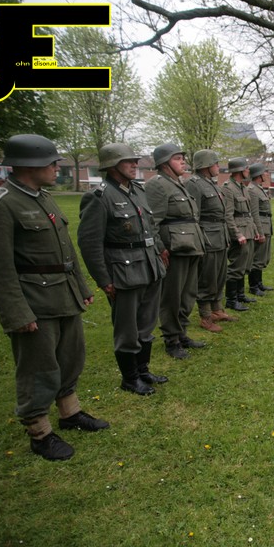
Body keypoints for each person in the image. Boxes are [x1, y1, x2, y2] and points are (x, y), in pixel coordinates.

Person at [0, 134, 107, 461]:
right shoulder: (0, 203)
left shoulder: (43, 198)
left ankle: (69, 412)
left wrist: (81, 287)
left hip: (63, 294)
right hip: (34, 301)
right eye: (51, 162)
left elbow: (66, 251)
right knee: (38, 367)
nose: (56, 167)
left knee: (70, 357)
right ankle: (39, 431)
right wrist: (17, 313)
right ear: (28, 165)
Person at [77, 142, 168, 396]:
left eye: (135, 160)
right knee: (127, 329)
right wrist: (103, 279)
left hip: (149, 266)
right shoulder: (100, 197)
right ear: (112, 165)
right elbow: (89, 243)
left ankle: (143, 370)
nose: (134, 164)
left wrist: (160, 250)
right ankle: (130, 378)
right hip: (123, 272)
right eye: (128, 161)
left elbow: (150, 226)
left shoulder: (137, 191)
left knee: (146, 324)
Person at [145, 143, 206, 359]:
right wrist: (160, 248)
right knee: (172, 296)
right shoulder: (157, 185)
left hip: (191, 245)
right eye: (177, 158)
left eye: (182, 158)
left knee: (188, 294)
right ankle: (171, 339)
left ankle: (182, 333)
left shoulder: (178, 184)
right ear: (164, 163)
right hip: (174, 248)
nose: (183, 162)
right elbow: (152, 221)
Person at [186, 149, 235, 333]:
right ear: (205, 165)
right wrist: (199, 240)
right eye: (215, 163)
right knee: (207, 277)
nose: (218, 167)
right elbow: (194, 216)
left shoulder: (211, 183)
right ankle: (205, 316)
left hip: (220, 236)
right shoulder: (194, 184)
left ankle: (217, 310)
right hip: (207, 237)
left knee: (219, 275)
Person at [221, 157, 259, 312]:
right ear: (239, 170)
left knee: (245, 264)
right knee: (236, 266)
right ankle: (231, 299)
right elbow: (228, 215)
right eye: (246, 168)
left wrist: (254, 230)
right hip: (239, 231)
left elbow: (248, 213)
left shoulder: (242, 187)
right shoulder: (228, 188)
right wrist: (237, 234)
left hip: (248, 229)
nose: (248, 171)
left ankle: (240, 295)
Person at [247, 162, 274, 296]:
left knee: (263, 257)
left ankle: (259, 283)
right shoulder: (252, 190)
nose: (266, 174)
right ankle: (253, 286)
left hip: (266, 225)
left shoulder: (259, 188)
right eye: (264, 172)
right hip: (261, 226)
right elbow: (254, 213)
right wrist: (259, 231)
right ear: (259, 175)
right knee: (257, 258)